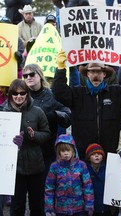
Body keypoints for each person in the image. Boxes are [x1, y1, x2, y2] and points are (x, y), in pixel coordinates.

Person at [52, 51, 121, 159]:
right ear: (87, 74)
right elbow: (58, 92)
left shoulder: (116, 92)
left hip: (112, 154)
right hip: (84, 154)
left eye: (99, 72)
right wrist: (61, 69)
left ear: (104, 74)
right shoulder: (77, 93)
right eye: (92, 72)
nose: (95, 75)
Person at [0, 79, 50, 216]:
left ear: (27, 94)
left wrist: (34, 135)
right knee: (17, 207)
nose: (19, 96)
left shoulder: (37, 111)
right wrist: (11, 143)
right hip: (14, 168)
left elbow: (47, 133)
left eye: (22, 93)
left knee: (37, 206)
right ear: (10, 94)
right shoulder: (3, 112)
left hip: (35, 165)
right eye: (15, 94)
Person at [23, 64, 71, 175]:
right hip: (26, 149)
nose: (28, 78)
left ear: (40, 75)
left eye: (31, 74)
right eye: (25, 76)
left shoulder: (52, 95)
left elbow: (67, 115)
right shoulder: (21, 95)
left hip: (47, 150)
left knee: (45, 186)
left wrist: (54, 115)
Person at [45, 134, 94, 216]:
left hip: (79, 208)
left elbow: (87, 185)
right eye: (63, 151)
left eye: (68, 150)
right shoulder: (54, 167)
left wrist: (89, 205)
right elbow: (49, 188)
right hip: (61, 209)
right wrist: (49, 208)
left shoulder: (81, 165)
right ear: (58, 152)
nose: (66, 153)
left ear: (73, 150)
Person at [86, 143, 112, 216]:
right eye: (93, 154)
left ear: (103, 157)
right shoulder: (85, 170)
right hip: (91, 207)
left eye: (99, 154)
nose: (96, 156)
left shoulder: (108, 168)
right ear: (88, 157)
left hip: (106, 207)